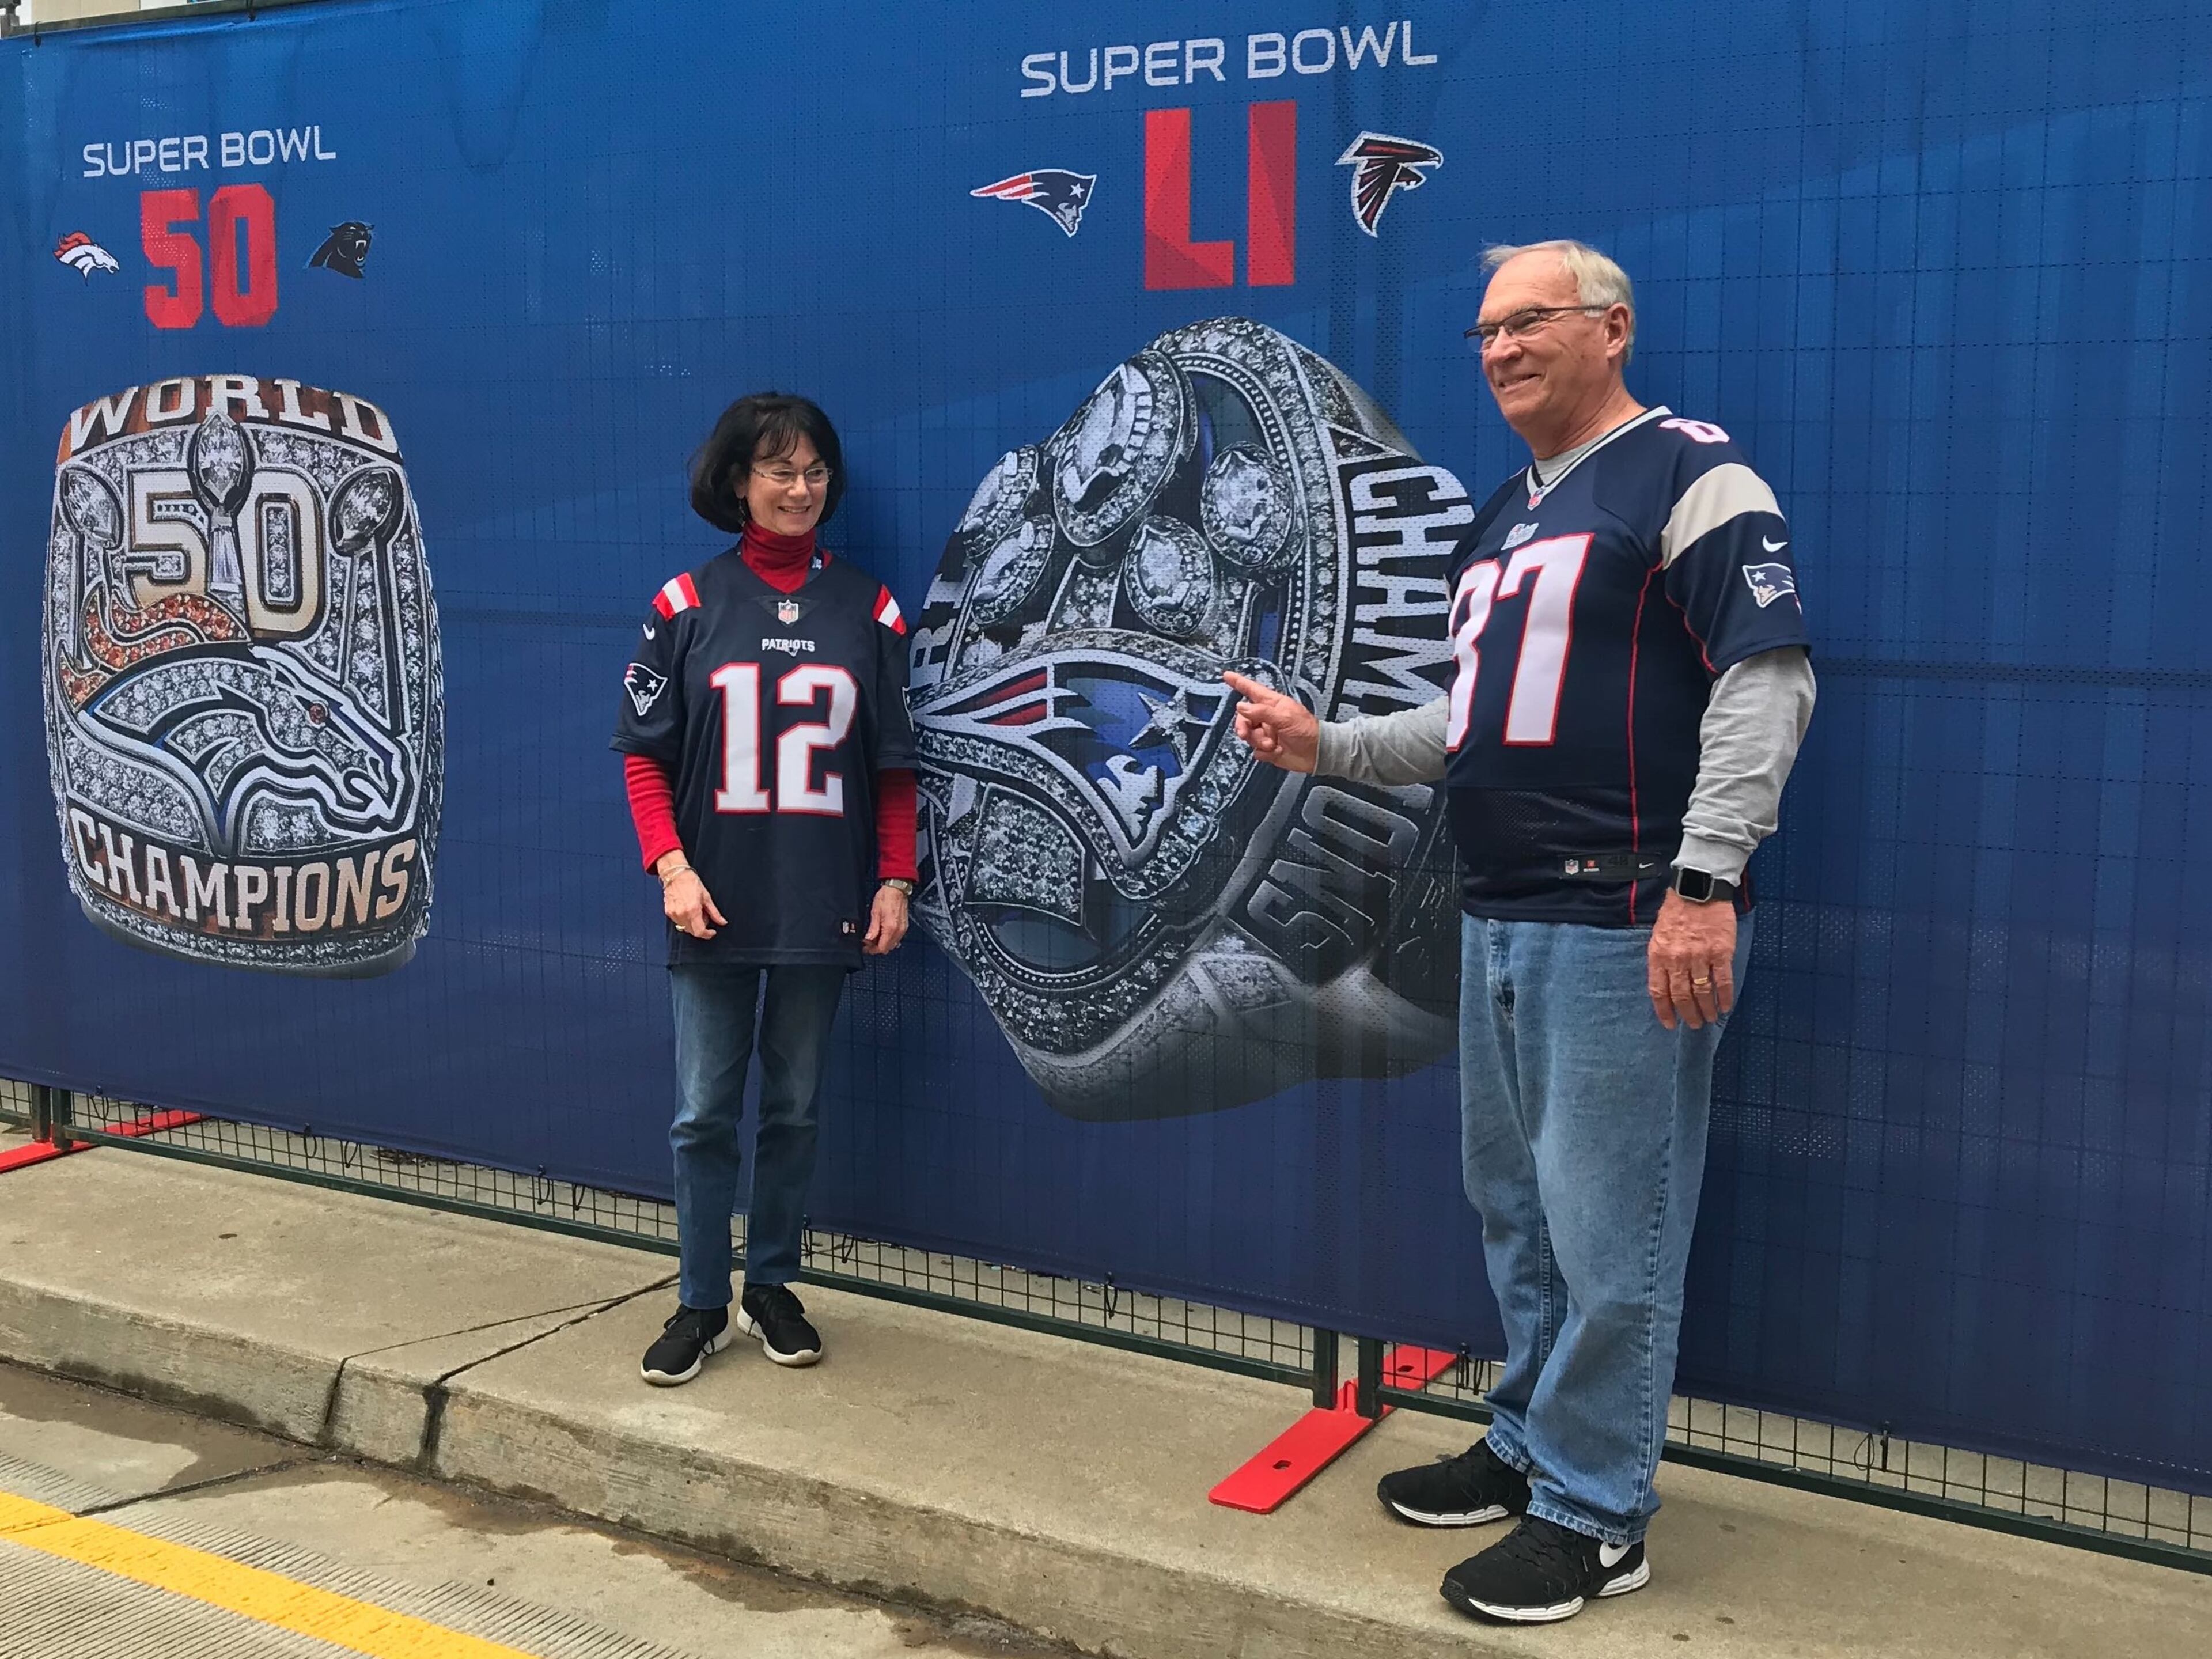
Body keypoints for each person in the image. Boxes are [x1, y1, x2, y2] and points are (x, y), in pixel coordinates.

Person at [1227, 240, 1815, 1625]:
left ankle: (1598, 1516)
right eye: (1485, 331)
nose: (1499, 349)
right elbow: (1472, 722)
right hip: (1501, 914)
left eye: (1528, 321)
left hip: (1626, 915)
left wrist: (1705, 883)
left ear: (1613, 328)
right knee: (1523, 1217)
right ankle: (1532, 1444)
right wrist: (1325, 745)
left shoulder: (1689, 472)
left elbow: (1767, 679)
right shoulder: (1503, 514)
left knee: (1614, 1234)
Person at [612, 392, 917, 1386]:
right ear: (737, 480)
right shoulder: (684, 605)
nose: (800, 488)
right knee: (703, 1113)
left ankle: (772, 1285)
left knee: (794, 1109)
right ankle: (703, 1299)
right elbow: (644, 756)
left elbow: (895, 769)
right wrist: (671, 867)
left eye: (815, 471)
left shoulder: (871, 609)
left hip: (822, 900)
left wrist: (896, 878)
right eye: (780, 470)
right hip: (713, 900)